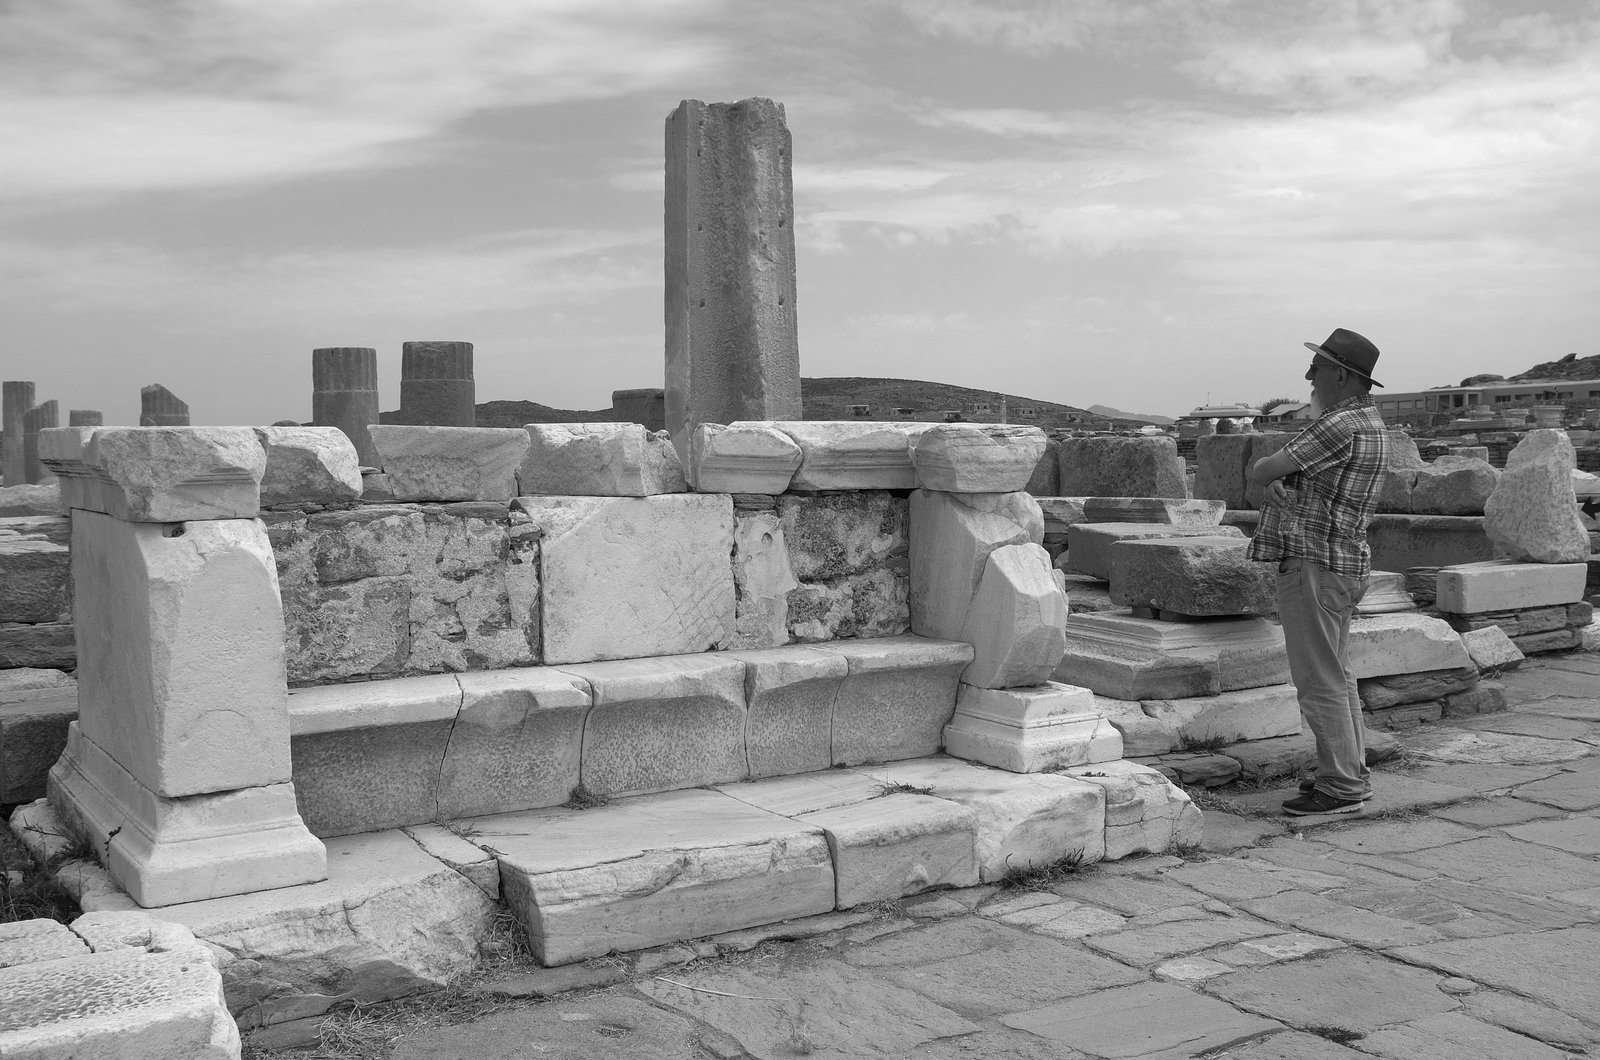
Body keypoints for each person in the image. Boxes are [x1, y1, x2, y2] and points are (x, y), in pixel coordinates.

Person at [1248, 328, 1390, 815]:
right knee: (1338, 675)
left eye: (1319, 367)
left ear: (1343, 376)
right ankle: (1351, 774)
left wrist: (1272, 475)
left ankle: (1342, 786)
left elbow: (1262, 469)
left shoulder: (1336, 425)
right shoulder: (1370, 424)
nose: (1310, 375)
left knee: (1318, 681)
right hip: (1344, 562)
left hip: (1314, 564)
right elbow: (1302, 477)